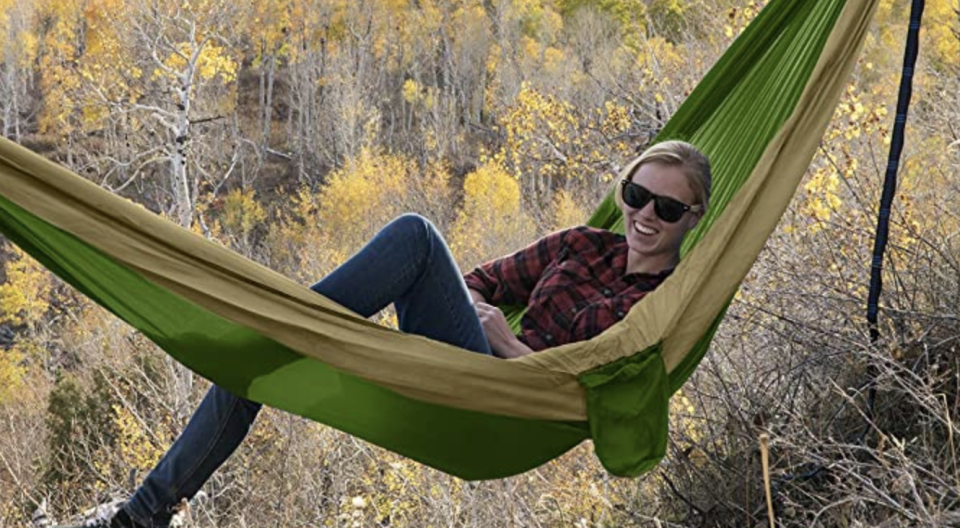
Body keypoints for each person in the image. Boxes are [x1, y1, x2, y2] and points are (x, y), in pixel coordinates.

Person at [69, 140, 710, 528]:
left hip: (510, 410)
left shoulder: (663, 303)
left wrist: (511, 349)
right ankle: (145, 514)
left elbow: (607, 398)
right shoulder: (582, 244)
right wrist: (479, 319)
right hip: (461, 366)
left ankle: (281, 329)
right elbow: (480, 282)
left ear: (693, 218)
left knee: (415, 236)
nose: (645, 215)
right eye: (635, 194)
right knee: (255, 370)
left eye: (668, 208)